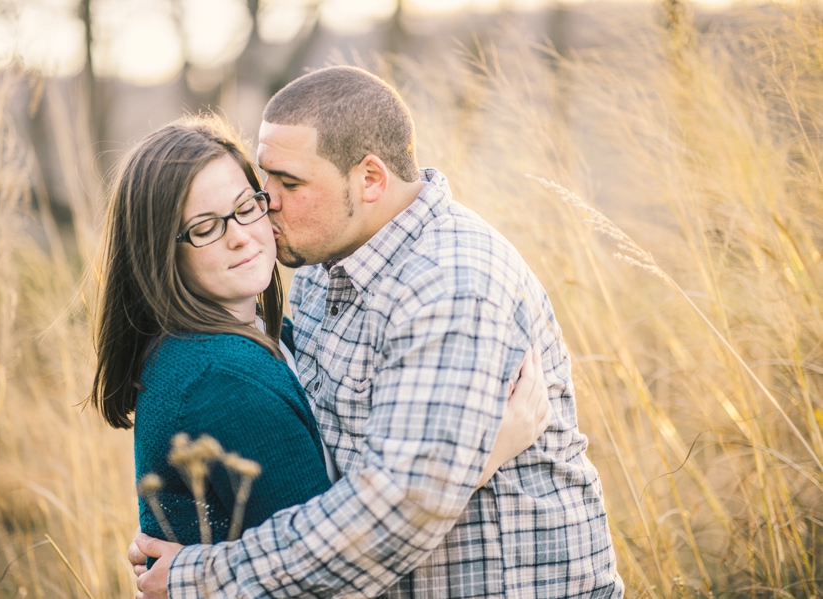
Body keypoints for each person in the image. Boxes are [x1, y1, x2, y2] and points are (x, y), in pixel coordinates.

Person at [132, 67, 624, 598]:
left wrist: (199, 580)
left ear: (370, 179)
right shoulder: (321, 270)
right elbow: (336, 468)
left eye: (290, 183)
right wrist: (472, 462)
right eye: (265, 178)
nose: (264, 202)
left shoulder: (451, 285)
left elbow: (396, 512)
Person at [89, 115, 551, 573]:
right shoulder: (222, 379)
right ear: (159, 252)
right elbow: (334, 568)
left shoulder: (262, 338)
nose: (240, 236)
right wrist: (485, 455)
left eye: (247, 207)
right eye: (205, 228)